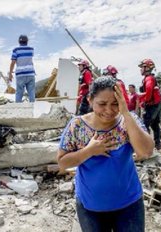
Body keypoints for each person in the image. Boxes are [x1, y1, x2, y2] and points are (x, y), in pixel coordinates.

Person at [57, 76, 154, 232]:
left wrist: (126, 113)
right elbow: (62, 163)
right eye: (102, 104)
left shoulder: (128, 121)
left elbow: (146, 151)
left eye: (115, 104)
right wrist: (89, 151)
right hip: (90, 208)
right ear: (90, 100)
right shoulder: (77, 126)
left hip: (129, 205)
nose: (109, 110)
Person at [138, 58, 161, 150]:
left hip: (151, 105)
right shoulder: (150, 78)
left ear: (147, 68)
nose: (141, 69)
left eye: (142, 67)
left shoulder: (149, 79)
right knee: (155, 125)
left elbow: (148, 92)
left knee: (144, 125)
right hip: (156, 105)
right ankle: (157, 144)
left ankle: (147, 146)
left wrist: (144, 101)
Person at [8, 35, 35, 103]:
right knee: (31, 91)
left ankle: (17, 108)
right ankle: (33, 108)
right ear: (27, 41)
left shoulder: (16, 50)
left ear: (19, 42)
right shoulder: (31, 49)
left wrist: (10, 73)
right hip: (30, 73)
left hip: (20, 74)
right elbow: (30, 60)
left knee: (19, 92)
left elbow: (13, 62)